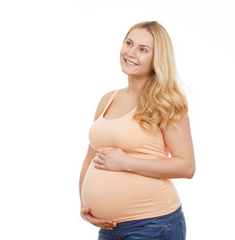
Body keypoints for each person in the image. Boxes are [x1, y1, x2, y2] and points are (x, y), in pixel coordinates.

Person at [79, 21, 195, 240]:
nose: (131, 53)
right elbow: (90, 159)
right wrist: (84, 205)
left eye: (143, 49)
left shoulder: (166, 102)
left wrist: (126, 163)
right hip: (109, 229)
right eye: (129, 43)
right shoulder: (108, 99)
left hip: (153, 225)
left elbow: (186, 166)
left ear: (157, 58)